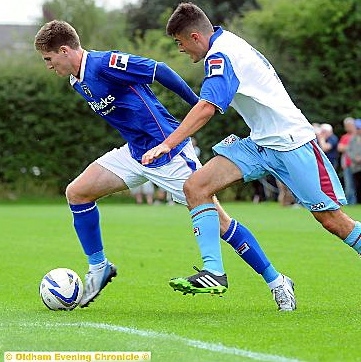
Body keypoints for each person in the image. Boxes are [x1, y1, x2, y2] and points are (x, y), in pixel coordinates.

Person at [34, 20, 295, 311]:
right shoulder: (76, 81)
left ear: (65, 50)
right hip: (135, 155)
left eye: (49, 58)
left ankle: (277, 281)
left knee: (222, 224)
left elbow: (160, 70)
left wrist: (196, 102)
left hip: (169, 154)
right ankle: (99, 267)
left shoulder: (105, 63)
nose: (48, 66)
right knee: (77, 192)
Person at [142, 2, 361, 307]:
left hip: (292, 143)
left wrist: (168, 143)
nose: (181, 50)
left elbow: (207, 107)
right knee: (196, 187)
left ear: (194, 37)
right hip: (259, 144)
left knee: (333, 221)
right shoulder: (227, 43)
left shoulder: (221, 54)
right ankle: (214, 272)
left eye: (179, 43)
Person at [337, 117, 357, 205]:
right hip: (348, 164)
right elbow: (340, 147)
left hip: (357, 165)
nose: (348, 127)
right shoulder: (345, 137)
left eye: (349, 125)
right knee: (349, 185)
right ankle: (350, 202)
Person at [348, 119, 361, 203]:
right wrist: (355, 158)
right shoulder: (352, 139)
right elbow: (349, 151)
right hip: (355, 167)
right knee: (357, 185)